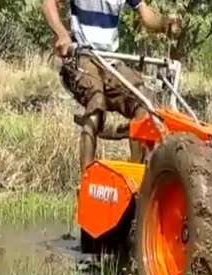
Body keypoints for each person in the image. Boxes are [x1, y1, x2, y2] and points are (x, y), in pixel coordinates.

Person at [42, 0, 182, 173]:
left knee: (143, 102)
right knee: (96, 101)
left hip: (110, 61)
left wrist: (163, 24)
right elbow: (49, 3)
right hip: (82, 57)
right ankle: (86, 182)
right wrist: (62, 34)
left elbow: (146, 16)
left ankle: (135, 181)